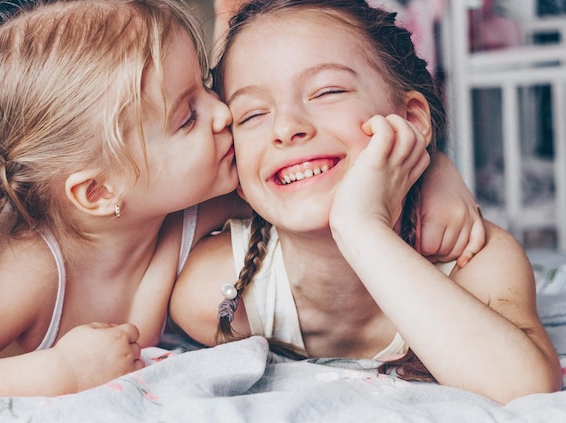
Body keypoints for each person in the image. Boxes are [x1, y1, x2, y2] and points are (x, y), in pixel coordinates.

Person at [0, 0, 482, 399]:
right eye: (187, 116)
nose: (223, 113)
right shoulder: (30, 266)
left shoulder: (199, 201)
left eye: (205, 87)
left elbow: (316, 182)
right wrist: (54, 375)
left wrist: (432, 170)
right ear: (100, 191)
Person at [169, 0, 562, 405]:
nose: (286, 128)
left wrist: (361, 228)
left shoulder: (472, 259)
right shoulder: (219, 294)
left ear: (410, 118)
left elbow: (524, 387)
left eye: (327, 91)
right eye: (251, 115)